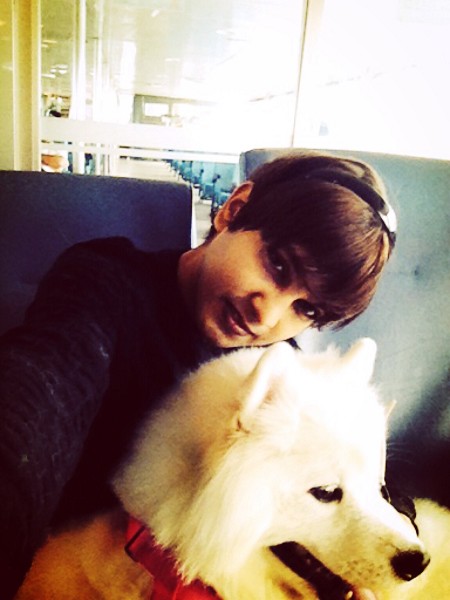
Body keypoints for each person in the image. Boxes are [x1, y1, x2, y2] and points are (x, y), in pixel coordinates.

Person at [0, 151, 397, 598]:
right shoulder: (103, 283)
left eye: (305, 309)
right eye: (278, 266)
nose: (267, 316)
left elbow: (347, 475)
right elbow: (39, 397)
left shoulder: (278, 367)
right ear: (234, 210)